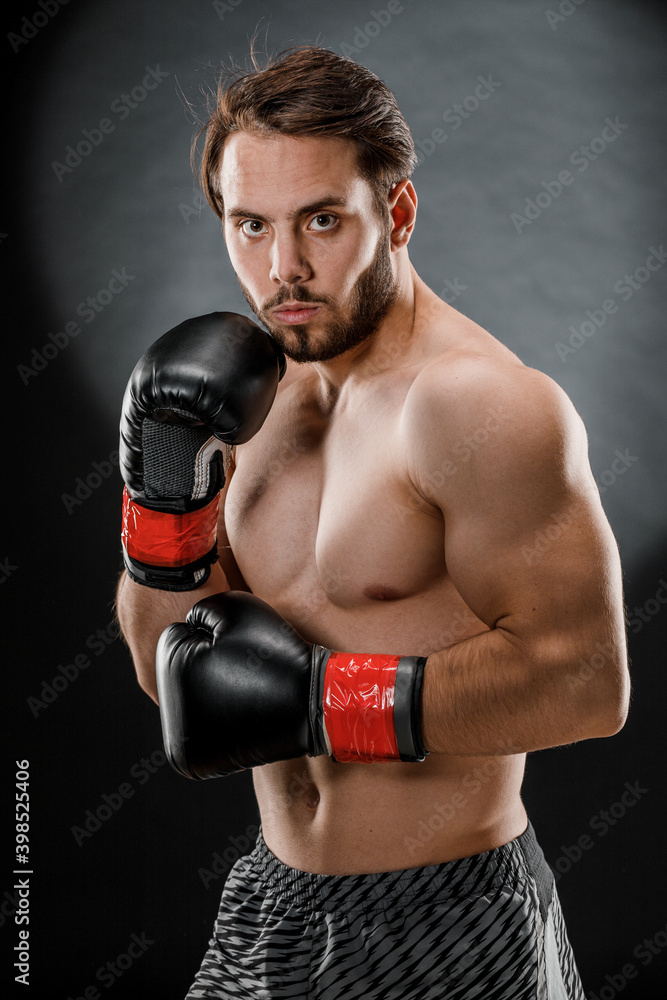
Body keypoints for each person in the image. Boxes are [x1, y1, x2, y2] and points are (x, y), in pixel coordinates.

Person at [115, 45, 630, 999]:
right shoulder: (238, 399)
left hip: (451, 918)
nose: (284, 269)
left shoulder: (478, 406)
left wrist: (320, 700)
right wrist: (162, 494)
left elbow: (587, 684)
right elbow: (167, 677)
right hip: (270, 902)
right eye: (249, 226)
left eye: (320, 220)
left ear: (394, 213)